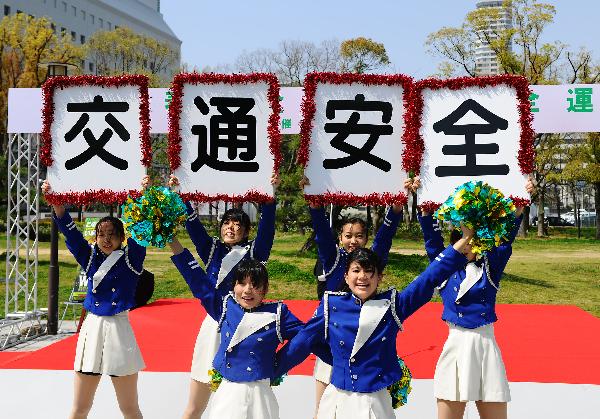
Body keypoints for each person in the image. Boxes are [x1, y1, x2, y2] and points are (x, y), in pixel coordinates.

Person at [274, 231, 474, 419]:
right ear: (346, 276)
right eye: (356, 270)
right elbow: (303, 342)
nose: (362, 277)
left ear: (379, 277)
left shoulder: (393, 306)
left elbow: (429, 278)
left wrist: (464, 239)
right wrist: (272, 370)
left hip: (375, 402)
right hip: (337, 399)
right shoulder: (331, 305)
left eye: (370, 272)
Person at [414, 178, 534, 419]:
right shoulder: (445, 270)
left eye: (473, 239)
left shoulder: (492, 265)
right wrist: (425, 210)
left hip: (486, 346)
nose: (468, 245)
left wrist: (520, 204)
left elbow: (506, 240)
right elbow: (431, 243)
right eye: (462, 240)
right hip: (456, 346)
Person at [303, 176, 415, 417]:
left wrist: (395, 210)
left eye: (359, 236)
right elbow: (322, 236)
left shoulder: (370, 262)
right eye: (348, 235)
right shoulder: (334, 262)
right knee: (323, 407)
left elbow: (384, 239)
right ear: (340, 239)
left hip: (366, 345)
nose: (353, 240)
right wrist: (315, 207)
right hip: (335, 344)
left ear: (366, 239)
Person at [169, 174, 279, 419]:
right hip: (213, 326)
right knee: (195, 405)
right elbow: (193, 226)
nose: (232, 227)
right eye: (227, 223)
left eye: (238, 224)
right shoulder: (212, 250)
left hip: (244, 327)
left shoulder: (254, 252)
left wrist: (271, 197)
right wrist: (181, 193)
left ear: (246, 231)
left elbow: (267, 229)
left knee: (233, 404)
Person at [42, 180, 146, 419]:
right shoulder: (89, 258)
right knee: (80, 408)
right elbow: (72, 234)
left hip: (119, 328)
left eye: (112, 235)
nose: (106, 239)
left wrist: (141, 195)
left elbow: (141, 232)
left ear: (122, 238)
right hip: (92, 328)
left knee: (129, 408)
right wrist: (58, 207)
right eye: (101, 234)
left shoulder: (132, 260)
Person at [169, 237, 304, 419]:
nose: (248, 290)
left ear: (265, 290)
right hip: (228, 392)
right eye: (242, 284)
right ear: (233, 286)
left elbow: (307, 338)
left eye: (255, 285)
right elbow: (197, 281)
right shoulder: (224, 306)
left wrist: (278, 364)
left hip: (261, 395)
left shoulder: (278, 314)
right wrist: (171, 240)